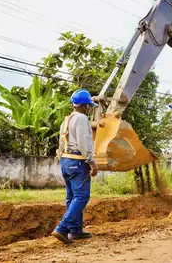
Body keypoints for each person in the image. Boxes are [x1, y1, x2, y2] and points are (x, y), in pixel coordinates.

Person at [52, 89, 98, 244]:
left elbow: (60, 142)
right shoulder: (82, 118)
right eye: (89, 106)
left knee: (71, 197)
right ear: (85, 106)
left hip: (65, 160)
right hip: (77, 161)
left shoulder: (67, 120)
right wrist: (91, 162)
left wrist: (63, 159)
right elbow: (84, 142)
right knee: (82, 196)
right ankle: (62, 228)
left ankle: (76, 230)